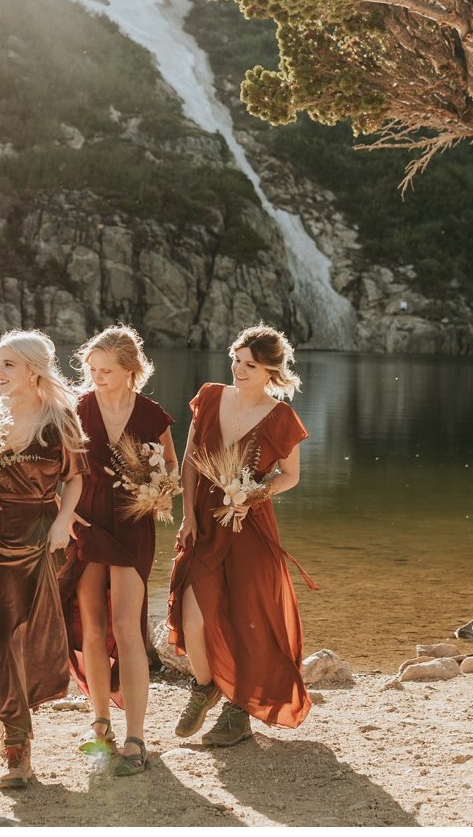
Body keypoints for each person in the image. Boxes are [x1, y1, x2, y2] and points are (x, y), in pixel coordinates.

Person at [167, 323, 313, 746]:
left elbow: (290, 476)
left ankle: (239, 712)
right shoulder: (211, 396)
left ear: (271, 370)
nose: (239, 369)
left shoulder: (281, 416)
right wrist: (189, 515)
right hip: (205, 523)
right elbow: (192, 460)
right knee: (194, 616)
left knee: (250, 620)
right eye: (236, 360)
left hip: (250, 528)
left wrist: (253, 494)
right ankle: (205, 685)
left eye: (250, 365)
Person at [0, 329, 89, 789]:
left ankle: (28, 714)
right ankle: (16, 747)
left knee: (34, 637)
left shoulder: (61, 419)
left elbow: (76, 479)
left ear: (33, 371)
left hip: (43, 539)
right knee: (2, 640)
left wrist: (63, 521)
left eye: (7, 365)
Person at [59, 325, 175, 775]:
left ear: (131, 371)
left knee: (128, 626)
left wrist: (161, 491)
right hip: (85, 521)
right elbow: (57, 471)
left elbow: (171, 468)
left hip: (131, 523)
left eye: (106, 370)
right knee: (91, 626)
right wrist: (63, 514)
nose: (97, 377)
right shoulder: (75, 409)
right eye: (92, 369)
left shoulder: (151, 415)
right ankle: (100, 726)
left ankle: (136, 738)